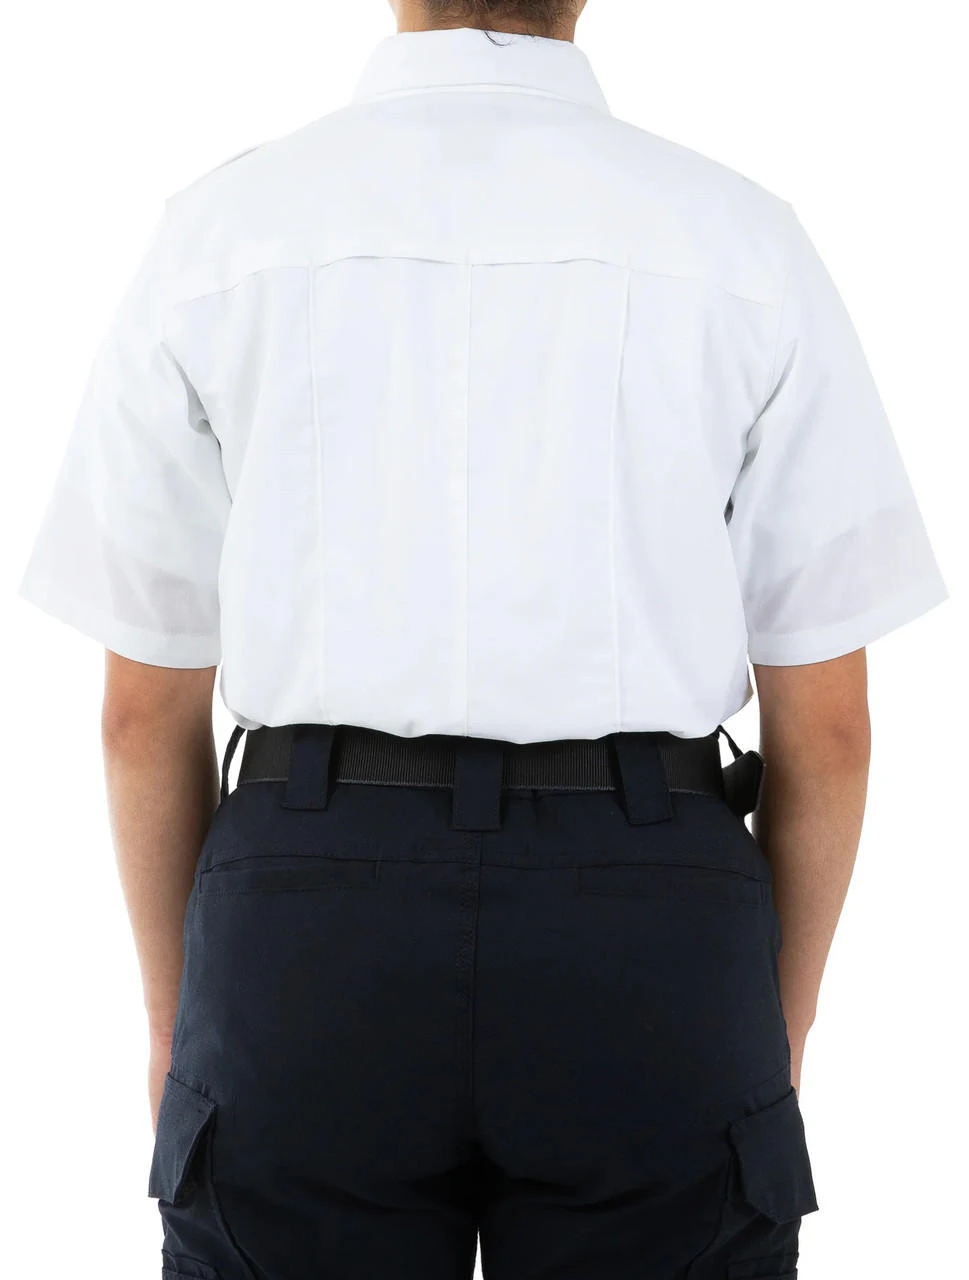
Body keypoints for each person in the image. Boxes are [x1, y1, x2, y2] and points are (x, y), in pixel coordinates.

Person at [17, 1, 947, 1277]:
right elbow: (829, 728)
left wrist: (180, 1019)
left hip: (307, 922)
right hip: (650, 924)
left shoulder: (221, 235)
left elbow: (141, 712)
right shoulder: (743, 241)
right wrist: (773, 1023)